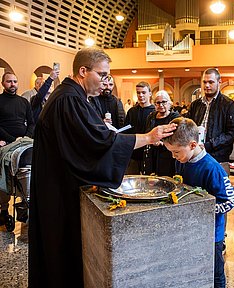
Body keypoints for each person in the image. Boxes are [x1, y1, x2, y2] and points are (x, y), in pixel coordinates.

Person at [28, 48, 176, 288]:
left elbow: (94, 136)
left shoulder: (74, 96)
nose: (106, 81)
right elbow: (97, 142)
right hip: (58, 190)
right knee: (60, 251)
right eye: (103, 74)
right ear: (83, 71)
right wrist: (148, 137)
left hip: (59, 184)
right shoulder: (68, 99)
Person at [163, 117, 234, 288]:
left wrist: (202, 209)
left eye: (176, 152)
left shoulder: (212, 168)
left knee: (215, 272)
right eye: (171, 152)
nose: (174, 157)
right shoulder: (183, 160)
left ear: (193, 145)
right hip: (191, 228)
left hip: (212, 234)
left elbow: (230, 202)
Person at [186, 68, 234, 254]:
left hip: (218, 157)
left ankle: (220, 240)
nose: (207, 85)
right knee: (198, 197)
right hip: (197, 158)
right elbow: (189, 128)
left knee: (220, 200)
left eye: (211, 82)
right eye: (205, 82)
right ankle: (200, 236)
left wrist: (209, 145)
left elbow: (231, 132)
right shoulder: (196, 105)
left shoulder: (228, 104)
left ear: (218, 82)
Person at [0, 72, 34, 225]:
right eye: (9, 81)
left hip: (24, 140)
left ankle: (26, 204)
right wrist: (12, 140)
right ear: (3, 83)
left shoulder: (23, 102)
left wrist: (25, 137)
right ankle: (3, 209)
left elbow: (32, 123)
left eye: (15, 81)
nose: (12, 84)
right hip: (5, 141)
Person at [143, 90, 179, 176]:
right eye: (158, 103)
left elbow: (177, 137)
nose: (161, 105)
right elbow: (147, 132)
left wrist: (162, 143)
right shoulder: (151, 117)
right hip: (152, 154)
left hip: (168, 154)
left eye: (164, 102)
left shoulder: (175, 117)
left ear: (169, 103)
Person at [124, 81, 155, 174]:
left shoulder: (154, 112)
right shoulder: (131, 111)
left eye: (143, 92)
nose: (140, 95)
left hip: (150, 155)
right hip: (133, 154)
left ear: (150, 93)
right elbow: (126, 131)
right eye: (138, 92)